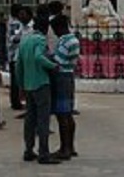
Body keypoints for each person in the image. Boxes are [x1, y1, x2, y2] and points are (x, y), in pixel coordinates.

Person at [16, 14, 60, 165]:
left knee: (30, 119)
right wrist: (53, 66)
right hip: (41, 83)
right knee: (43, 120)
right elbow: (38, 57)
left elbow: (18, 64)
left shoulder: (25, 40)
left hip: (28, 84)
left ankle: (28, 150)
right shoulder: (41, 40)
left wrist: (20, 84)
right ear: (46, 27)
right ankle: (43, 153)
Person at [51, 14, 79, 160]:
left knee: (62, 114)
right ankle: (71, 146)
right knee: (67, 113)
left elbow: (57, 62)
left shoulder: (65, 41)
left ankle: (65, 148)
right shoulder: (74, 39)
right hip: (69, 76)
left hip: (61, 77)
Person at [6, 4, 25, 111]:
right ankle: (16, 102)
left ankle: (16, 100)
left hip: (14, 54)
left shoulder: (12, 22)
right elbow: (14, 39)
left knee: (15, 79)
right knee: (16, 80)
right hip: (15, 55)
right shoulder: (15, 24)